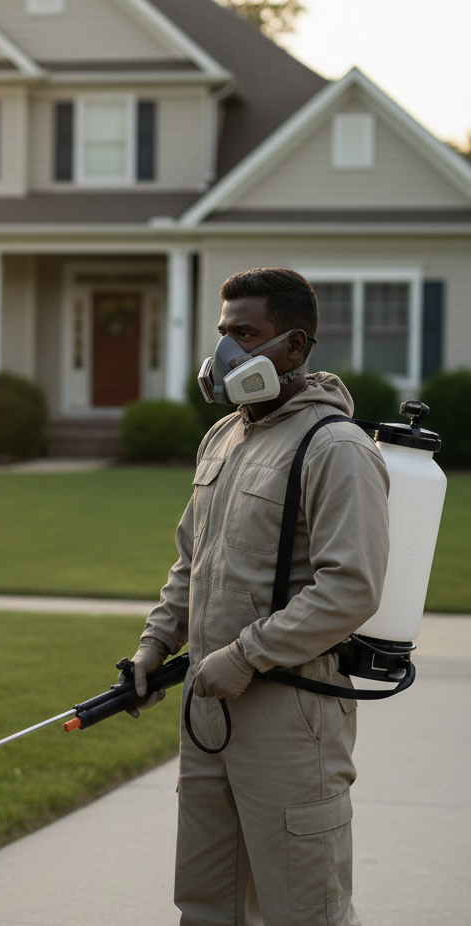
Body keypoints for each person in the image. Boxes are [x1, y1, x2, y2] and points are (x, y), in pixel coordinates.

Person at [126, 268, 390, 925]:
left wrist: (244, 656)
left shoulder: (335, 449)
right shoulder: (223, 438)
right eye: (224, 334)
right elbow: (193, 562)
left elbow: (350, 587)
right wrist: (155, 645)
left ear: (295, 348)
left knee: (305, 909)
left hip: (290, 717)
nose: (227, 354)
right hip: (210, 712)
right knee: (207, 906)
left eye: (247, 334)